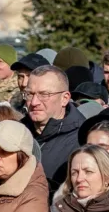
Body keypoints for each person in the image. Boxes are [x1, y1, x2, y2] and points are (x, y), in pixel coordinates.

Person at [22, 65, 83, 193]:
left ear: (64, 98)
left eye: (44, 94)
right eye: (29, 94)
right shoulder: (17, 132)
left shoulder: (82, 139)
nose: (34, 102)